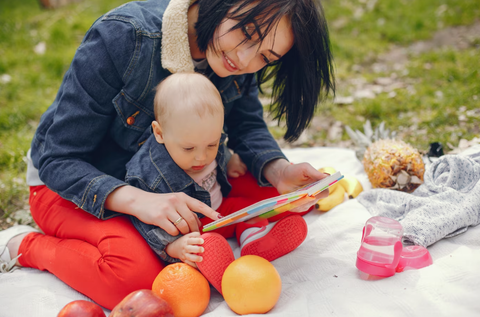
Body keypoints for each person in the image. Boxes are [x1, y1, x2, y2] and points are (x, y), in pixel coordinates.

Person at [0, 0, 334, 310]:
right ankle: (27, 246)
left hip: (177, 177)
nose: (245, 61)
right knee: (134, 280)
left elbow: (245, 124)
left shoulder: (236, 59)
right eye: (247, 33)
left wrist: (279, 171)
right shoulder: (125, 36)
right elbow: (58, 159)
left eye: (266, 57)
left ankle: (246, 235)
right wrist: (139, 201)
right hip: (76, 187)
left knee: (281, 196)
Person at [126, 72, 317, 294]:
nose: (201, 157)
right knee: (199, 247)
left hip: (220, 212)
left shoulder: (203, 137)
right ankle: (220, 268)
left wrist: (228, 159)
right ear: (159, 133)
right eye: (189, 149)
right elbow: (145, 221)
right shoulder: (146, 172)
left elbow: (219, 148)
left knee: (246, 210)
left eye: (211, 145)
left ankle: (255, 240)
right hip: (189, 228)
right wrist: (173, 246)